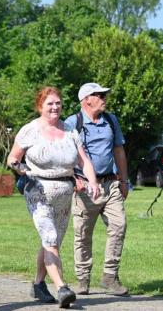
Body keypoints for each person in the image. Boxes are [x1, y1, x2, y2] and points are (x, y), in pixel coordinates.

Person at [7, 86, 99, 308]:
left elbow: (83, 161)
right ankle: (62, 287)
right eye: (50, 103)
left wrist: (93, 181)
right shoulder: (30, 130)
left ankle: (38, 284)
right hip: (37, 191)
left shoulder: (70, 130)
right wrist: (18, 168)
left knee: (52, 241)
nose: (55, 107)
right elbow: (12, 158)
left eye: (58, 103)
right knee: (50, 239)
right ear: (40, 106)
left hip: (64, 193)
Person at [65, 82, 129, 296]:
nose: (104, 98)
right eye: (99, 95)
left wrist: (124, 181)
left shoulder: (111, 120)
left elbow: (118, 150)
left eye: (104, 94)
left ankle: (110, 276)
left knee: (119, 226)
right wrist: (74, 179)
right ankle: (83, 280)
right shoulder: (73, 122)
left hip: (111, 184)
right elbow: (65, 155)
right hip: (84, 188)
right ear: (86, 100)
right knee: (83, 234)